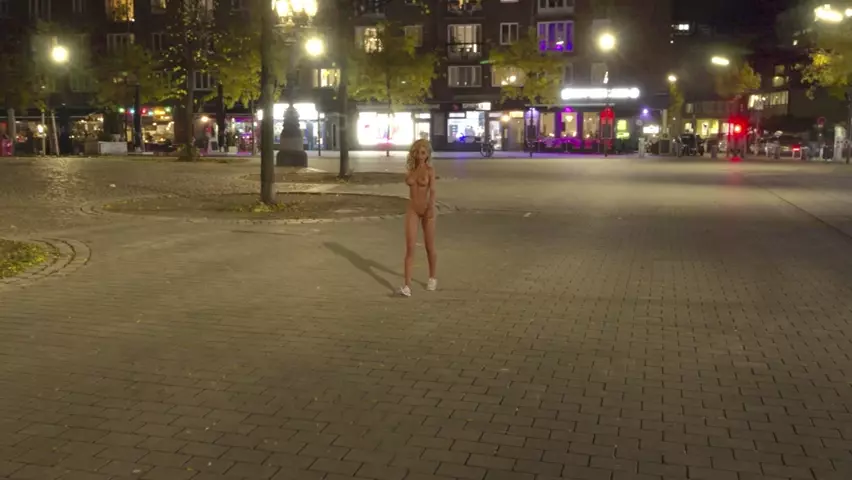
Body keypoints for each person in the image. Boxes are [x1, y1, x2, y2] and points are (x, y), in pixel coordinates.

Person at [400, 139, 437, 297]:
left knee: (429, 246)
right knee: (410, 247)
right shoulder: (410, 170)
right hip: (412, 209)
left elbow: (433, 191)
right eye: (417, 152)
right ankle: (407, 285)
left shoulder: (430, 171)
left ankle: (432, 277)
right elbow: (409, 182)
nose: (420, 156)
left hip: (427, 209)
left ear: (427, 154)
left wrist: (431, 207)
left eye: (423, 153)